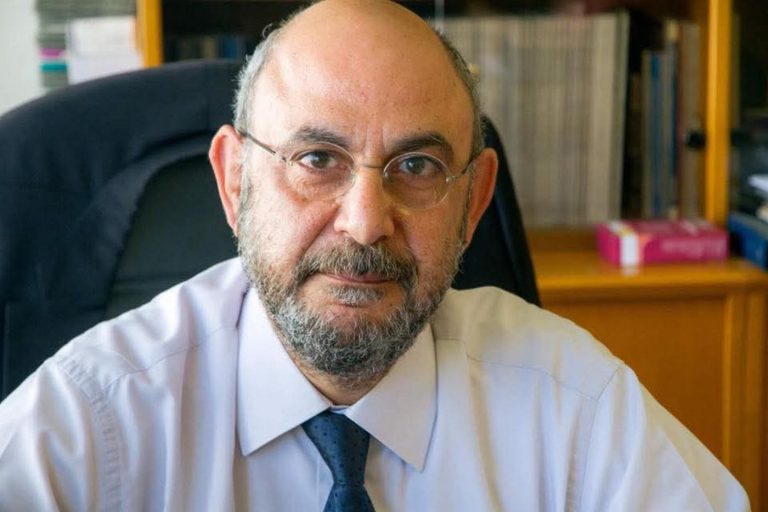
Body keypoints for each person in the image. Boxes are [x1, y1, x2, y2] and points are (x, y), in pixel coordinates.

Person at [0, 0, 750, 510]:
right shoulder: (90, 423)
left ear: (473, 203)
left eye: (417, 166)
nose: (364, 224)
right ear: (234, 182)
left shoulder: (574, 406)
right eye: (316, 159)